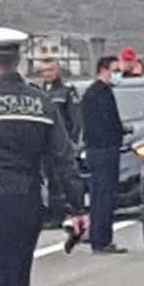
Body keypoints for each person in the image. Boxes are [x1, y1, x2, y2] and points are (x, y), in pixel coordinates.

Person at [0, 28, 88, 286]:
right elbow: (64, 160)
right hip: (25, 202)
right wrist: (77, 208)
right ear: (17, 60)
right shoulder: (41, 103)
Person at [81, 56, 131, 255]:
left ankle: (100, 238)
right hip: (103, 150)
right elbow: (105, 123)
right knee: (104, 197)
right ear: (104, 70)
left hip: (99, 150)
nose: (118, 75)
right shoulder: (99, 94)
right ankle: (101, 240)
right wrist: (120, 131)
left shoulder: (95, 93)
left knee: (100, 196)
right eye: (115, 70)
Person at [39, 58, 81, 227]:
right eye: (44, 71)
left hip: (61, 144)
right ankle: (51, 214)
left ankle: (65, 213)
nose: (47, 74)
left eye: (50, 70)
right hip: (44, 144)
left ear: (58, 70)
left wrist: (72, 142)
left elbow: (75, 119)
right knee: (48, 180)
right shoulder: (39, 93)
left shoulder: (66, 92)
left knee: (63, 179)